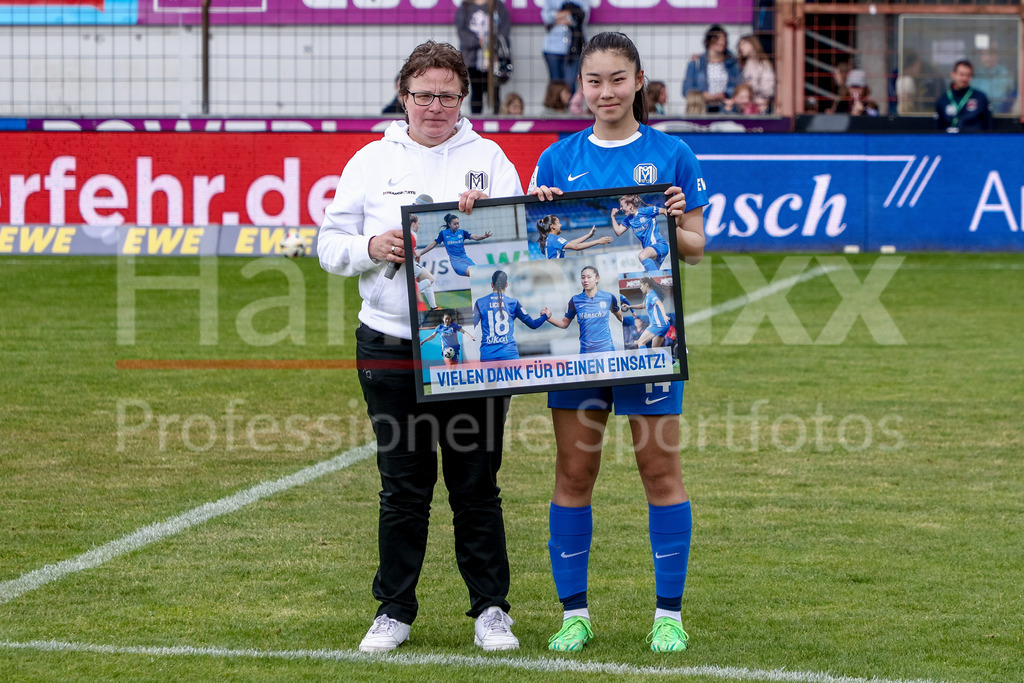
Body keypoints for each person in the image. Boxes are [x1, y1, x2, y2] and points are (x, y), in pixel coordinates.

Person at [317, 39, 523, 655]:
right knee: (402, 487)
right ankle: (394, 609)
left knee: (475, 484)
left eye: (448, 96)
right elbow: (329, 244)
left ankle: (491, 609)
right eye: (424, 94)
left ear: (464, 99)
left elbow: (520, 244)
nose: (436, 106)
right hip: (391, 345)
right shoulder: (369, 161)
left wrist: (485, 218)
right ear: (404, 96)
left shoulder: (490, 158)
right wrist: (371, 247)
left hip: (470, 347)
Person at [529, 31, 708, 654]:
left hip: (648, 340)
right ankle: (574, 614)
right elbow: (539, 256)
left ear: (639, 82)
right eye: (594, 80)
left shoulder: (672, 153)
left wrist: (676, 216)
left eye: (617, 79)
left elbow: (694, 247)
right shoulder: (556, 160)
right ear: (581, 87)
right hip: (579, 348)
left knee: (659, 469)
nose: (605, 91)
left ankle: (669, 616)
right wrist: (542, 218)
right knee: (575, 471)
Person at [473, 270, 550, 361]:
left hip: (488, 355)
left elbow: (472, 325)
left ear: (492, 284)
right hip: (509, 354)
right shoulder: (513, 303)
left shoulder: (480, 303)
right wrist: (545, 316)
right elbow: (533, 324)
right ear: (506, 285)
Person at [545, 265, 622, 353]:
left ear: (597, 278)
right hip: (586, 351)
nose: (585, 280)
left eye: (589, 277)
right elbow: (564, 323)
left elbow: (620, 317)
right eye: (583, 277)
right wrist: (548, 318)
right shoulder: (575, 300)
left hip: (606, 349)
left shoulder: (608, 297)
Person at [455, 0, 511, 114]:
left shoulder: (498, 6)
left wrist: (493, 44)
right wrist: (479, 42)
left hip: (494, 58)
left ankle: (495, 119)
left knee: (495, 90)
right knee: (476, 91)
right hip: (472, 59)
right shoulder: (465, 7)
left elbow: (504, 31)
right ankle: (476, 121)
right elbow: (462, 32)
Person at [681, 24, 741, 113]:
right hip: (701, 108)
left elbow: (737, 86)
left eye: (724, 39)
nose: (722, 42)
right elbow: (686, 89)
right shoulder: (696, 63)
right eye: (718, 39)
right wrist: (701, 94)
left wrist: (725, 94)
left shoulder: (732, 63)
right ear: (709, 41)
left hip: (725, 108)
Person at [416, 212, 493, 277]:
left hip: (465, 259)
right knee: (473, 272)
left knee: (479, 273)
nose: (457, 225)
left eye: (458, 223)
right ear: (449, 224)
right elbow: (432, 244)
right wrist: (420, 253)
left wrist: (484, 236)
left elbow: (475, 237)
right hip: (456, 262)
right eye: (455, 224)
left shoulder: (462, 232)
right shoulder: (443, 234)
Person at [610, 194, 672, 272]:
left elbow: (664, 211)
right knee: (651, 279)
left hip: (659, 245)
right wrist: (612, 217)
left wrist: (673, 227)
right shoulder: (628, 219)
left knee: (642, 256)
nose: (621, 208)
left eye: (622, 206)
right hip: (650, 252)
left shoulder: (646, 211)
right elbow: (618, 232)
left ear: (630, 206)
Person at [541, 0, 589, 93]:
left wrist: (558, 16)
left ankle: (570, 107)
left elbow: (583, 17)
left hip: (574, 47)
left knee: (570, 86)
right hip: (552, 47)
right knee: (555, 87)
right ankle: (557, 107)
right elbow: (546, 17)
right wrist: (570, 13)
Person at [935, 59, 993, 133]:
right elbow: (938, 128)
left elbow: (988, 126)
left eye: (968, 75)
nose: (965, 78)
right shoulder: (943, 99)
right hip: (950, 141)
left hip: (973, 141)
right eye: (961, 74)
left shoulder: (980, 98)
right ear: (953, 74)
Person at [621, 277, 670, 348]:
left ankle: (644, 359)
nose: (640, 288)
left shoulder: (651, 294)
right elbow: (643, 305)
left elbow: (660, 303)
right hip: (664, 324)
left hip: (658, 324)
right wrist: (629, 307)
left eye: (641, 286)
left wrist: (664, 315)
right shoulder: (648, 295)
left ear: (646, 285)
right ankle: (671, 360)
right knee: (656, 349)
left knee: (640, 342)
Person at [537, 215, 612, 259]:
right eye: (559, 223)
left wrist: (588, 235)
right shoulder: (554, 239)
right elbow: (576, 247)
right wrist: (598, 241)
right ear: (553, 226)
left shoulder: (548, 239)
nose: (561, 225)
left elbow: (570, 243)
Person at [736, 34, 775, 113]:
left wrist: (751, 87)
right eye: (739, 45)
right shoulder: (743, 65)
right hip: (744, 105)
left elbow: (769, 89)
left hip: (760, 106)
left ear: (753, 44)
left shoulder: (763, 64)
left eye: (744, 44)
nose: (741, 47)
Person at [409, 214, 440, 311]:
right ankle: (411, 291)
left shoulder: (407, 233)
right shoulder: (412, 234)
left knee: (428, 283)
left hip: (410, 263)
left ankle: (433, 307)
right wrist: (415, 254)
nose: (419, 226)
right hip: (410, 264)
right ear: (413, 224)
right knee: (430, 279)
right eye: (418, 223)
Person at [972, 43, 1014, 114]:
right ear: (980, 57)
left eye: (991, 54)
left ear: (997, 56)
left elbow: (1011, 97)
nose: (987, 58)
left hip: (1001, 116)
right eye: (984, 54)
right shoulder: (976, 76)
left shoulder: (1006, 75)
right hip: (979, 116)